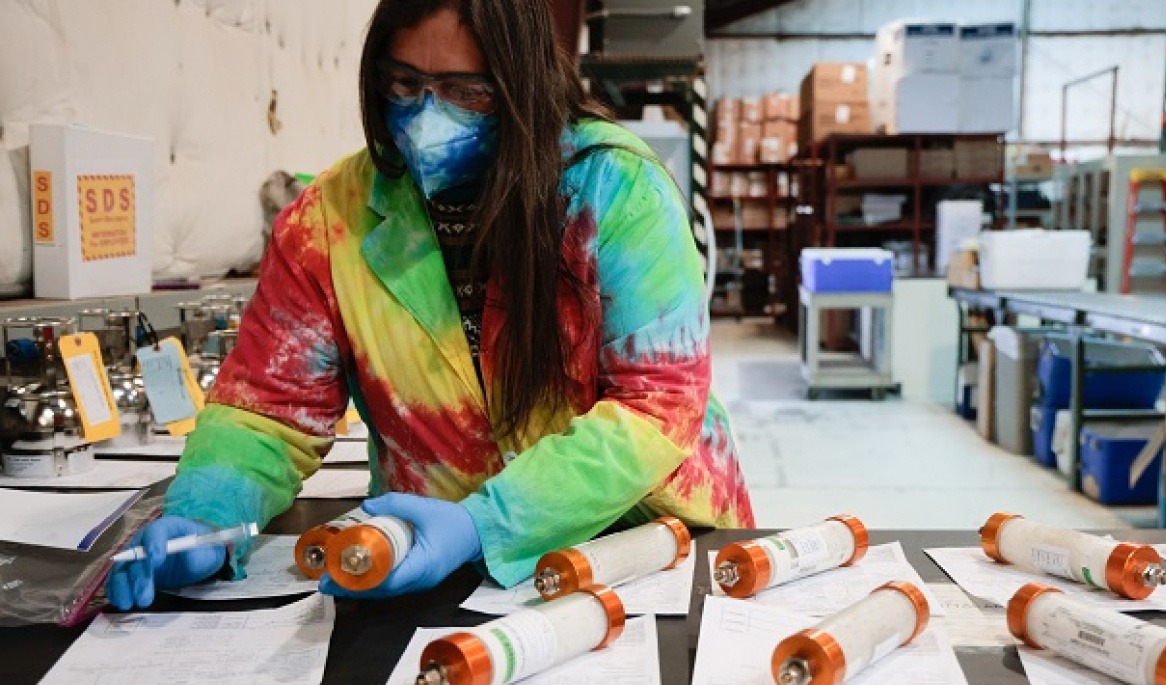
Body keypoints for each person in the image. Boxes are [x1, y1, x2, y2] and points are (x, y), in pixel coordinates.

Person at [105, 0, 754, 610]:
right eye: (404, 85)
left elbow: (657, 403)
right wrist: (205, 518)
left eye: (466, 92)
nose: (426, 116)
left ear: (519, 81)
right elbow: (267, 412)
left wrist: (484, 523)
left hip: (640, 544)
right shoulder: (330, 222)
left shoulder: (616, 188)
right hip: (430, 566)